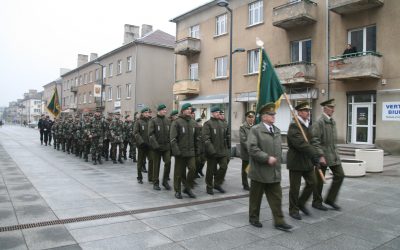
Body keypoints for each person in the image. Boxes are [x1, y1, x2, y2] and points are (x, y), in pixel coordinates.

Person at [247, 103, 292, 232]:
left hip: (274, 172)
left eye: (274, 114)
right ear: (264, 117)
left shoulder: (276, 130)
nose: (274, 116)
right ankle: (253, 217)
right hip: (259, 171)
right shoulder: (255, 130)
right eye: (271, 114)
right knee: (256, 198)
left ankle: (279, 221)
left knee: (277, 198)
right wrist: (267, 158)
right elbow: (252, 149)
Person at [287, 102, 320, 220]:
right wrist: (314, 154)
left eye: (309, 111)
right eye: (306, 111)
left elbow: (312, 141)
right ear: (299, 112)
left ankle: (301, 203)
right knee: (294, 188)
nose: (308, 113)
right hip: (296, 161)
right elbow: (301, 144)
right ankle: (293, 209)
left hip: (307, 160)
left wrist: (317, 155)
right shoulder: (294, 126)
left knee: (313, 183)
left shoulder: (307, 125)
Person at [311, 99, 344, 211]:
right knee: (319, 180)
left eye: (333, 107)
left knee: (340, 175)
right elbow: (315, 140)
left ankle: (330, 199)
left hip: (333, 155)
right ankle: (316, 202)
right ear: (324, 108)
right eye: (331, 107)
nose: (333, 110)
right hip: (323, 156)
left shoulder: (332, 121)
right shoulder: (319, 122)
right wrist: (320, 155)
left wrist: (336, 153)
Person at [170, 103, 199, 199]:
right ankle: (177, 191)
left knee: (193, 169)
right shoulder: (177, 122)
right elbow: (173, 139)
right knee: (178, 173)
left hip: (191, 152)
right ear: (183, 110)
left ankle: (187, 188)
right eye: (188, 109)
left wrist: (197, 150)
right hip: (180, 152)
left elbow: (197, 138)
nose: (190, 110)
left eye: (191, 109)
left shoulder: (193, 123)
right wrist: (177, 152)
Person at [202, 106, 229, 195]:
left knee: (224, 167)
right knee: (210, 170)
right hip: (212, 152)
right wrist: (211, 150)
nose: (218, 114)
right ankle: (209, 187)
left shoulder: (223, 123)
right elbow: (206, 138)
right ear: (212, 113)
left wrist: (227, 148)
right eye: (216, 112)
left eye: (219, 112)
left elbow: (226, 137)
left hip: (222, 151)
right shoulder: (207, 124)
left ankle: (217, 184)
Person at [148, 104, 171, 191]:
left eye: (165, 110)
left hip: (166, 147)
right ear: (159, 110)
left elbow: (170, 133)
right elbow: (151, 134)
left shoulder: (168, 120)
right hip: (156, 148)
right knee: (156, 165)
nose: (165, 111)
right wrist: (156, 145)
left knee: (168, 162)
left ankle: (165, 181)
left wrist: (169, 144)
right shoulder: (153, 121)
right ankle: (155, 183)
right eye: (163, 110)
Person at [134, 107, 152, 184]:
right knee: (140, 162)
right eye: (145, 112)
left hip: (150, 145)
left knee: (151, 160)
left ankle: (150, 177)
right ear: (142, 113)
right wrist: (141, 142)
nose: (147, 114)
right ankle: (139, 177)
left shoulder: (151, 121)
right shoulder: (138, 122)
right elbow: (136, 133)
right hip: (141, 145)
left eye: (148, 112)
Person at [239, 110, 255, 191]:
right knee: (245, 169)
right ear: (246, 118)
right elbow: (243, 140)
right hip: (246, 152)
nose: (251, 119)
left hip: (255, 152)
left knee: (253, 169)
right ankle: (245, 184)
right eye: (249, 117)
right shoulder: (243, 127)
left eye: (252, 117)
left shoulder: (256, 126)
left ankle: (254, 183)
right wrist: (251, 149)